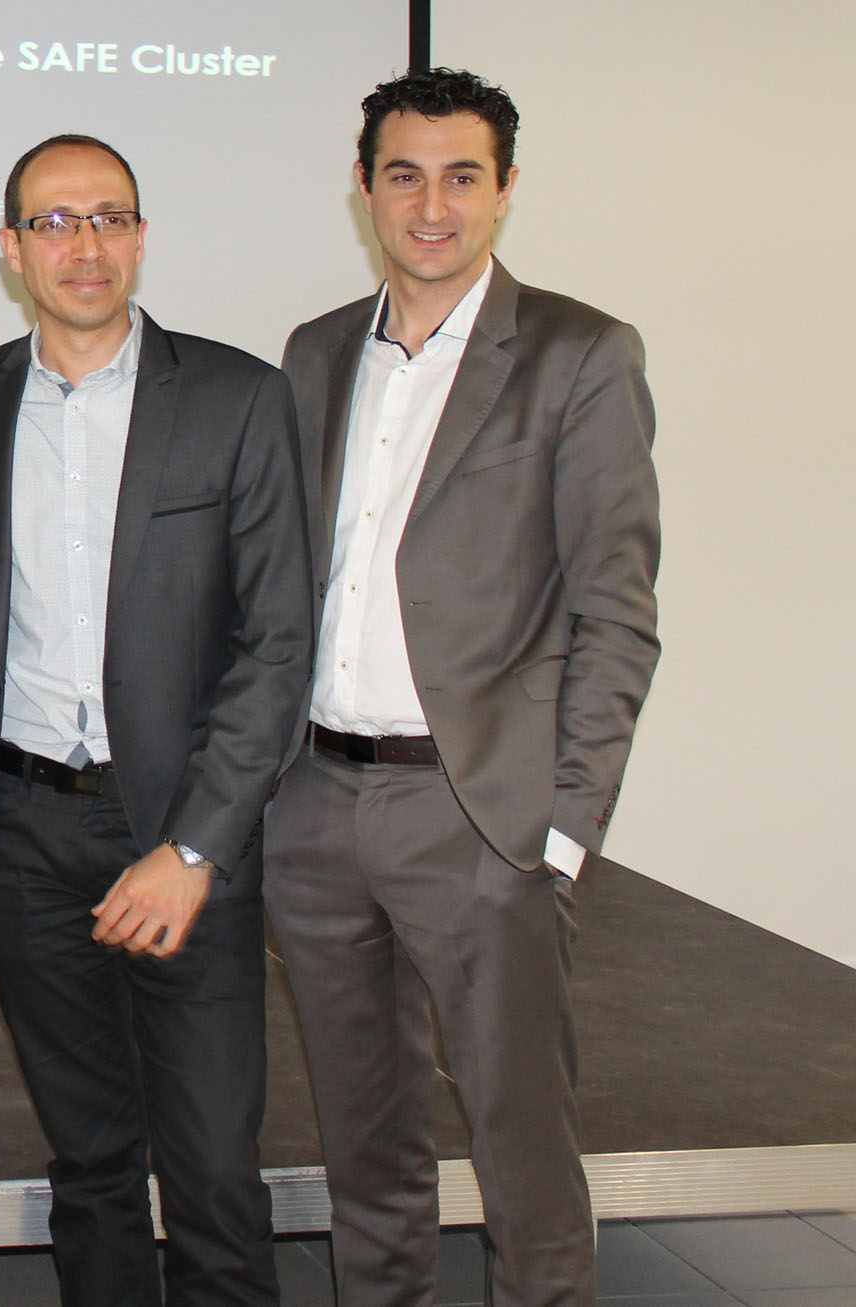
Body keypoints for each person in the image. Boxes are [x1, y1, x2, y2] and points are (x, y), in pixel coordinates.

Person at [0, 135, 311, 1306]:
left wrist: (192, 849)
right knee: (88, 1163)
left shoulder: (236, 397)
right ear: (10, 247)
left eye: (108, 218)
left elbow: (279, 644)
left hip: (182, 833)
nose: (84, 245)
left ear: (139, 236)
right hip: (25, 831)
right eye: (54, 222)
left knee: (213, 1172)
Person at [267, 69, 659, 1307]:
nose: (429, 206)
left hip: (479, 815)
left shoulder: (578, 354)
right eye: (403, 175)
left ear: (504, 189)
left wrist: (562, 827)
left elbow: (616, 609)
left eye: (459, 177)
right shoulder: (316, 352)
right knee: (363, 1150)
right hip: (315, 806)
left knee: (522, 1156)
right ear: (363, 188)